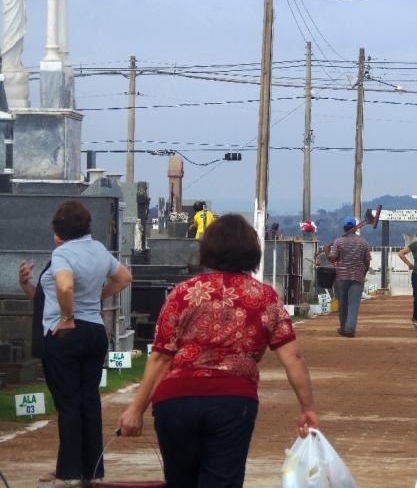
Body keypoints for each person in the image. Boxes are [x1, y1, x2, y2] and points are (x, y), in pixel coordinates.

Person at [117, 214, 318, 488]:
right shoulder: (264, 297)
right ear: (252, 252)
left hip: (176, 401)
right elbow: (292, 357)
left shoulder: (182, 293)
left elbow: (161, 357)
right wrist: (307, 408)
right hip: (233, 401)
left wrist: (135, 409)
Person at [17, 200, 133, 487]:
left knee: (69, 405)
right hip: (94, 331)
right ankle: (92, 471)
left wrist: (68, 316)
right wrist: (94, 299)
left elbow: (65, 286)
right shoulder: (98, 250)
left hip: (66, 333)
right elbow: (124, 277)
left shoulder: (62, 254)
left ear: (58, 230)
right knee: (89, 401)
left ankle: (69, 473)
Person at [328, 216, 371, 337]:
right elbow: (367, 262)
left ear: (344, 227)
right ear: (355, 228)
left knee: (343, 304)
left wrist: (327, 251)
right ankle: (350, 329)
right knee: (353, 304)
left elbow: (333, 258)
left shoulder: (339, 241)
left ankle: (343, 327)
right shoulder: (364, 242)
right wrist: (363, 273)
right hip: (357, 277)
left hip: (341, 277)